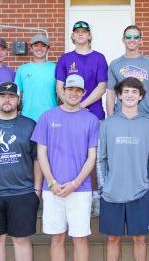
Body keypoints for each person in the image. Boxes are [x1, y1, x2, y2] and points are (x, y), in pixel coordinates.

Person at [31, 74, 99, 261]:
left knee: (80, 239)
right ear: (62, 91)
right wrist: (52, 183)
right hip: (53, 189)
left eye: (78, 90)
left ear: (83, 93)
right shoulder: (47, 117)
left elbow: (91, 157)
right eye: (70, 89)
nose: (74, 94)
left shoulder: (91, 120)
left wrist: (75, 184)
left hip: (80, 189)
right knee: (57, 237)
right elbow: (41, 154)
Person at [98, 77, 149, 261]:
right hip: (112, 193)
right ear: (119, 95)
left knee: (140, 239)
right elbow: (101, 159)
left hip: (140, 193)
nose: (130, 95)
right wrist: (103, 187)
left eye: (134, 91)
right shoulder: (107, 124)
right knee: (113, 239)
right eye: (126, 91)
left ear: (141, 96)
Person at [55, 20, 108, 215]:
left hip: (94, 114)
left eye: (84, 32)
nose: (80, 34)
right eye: (77, 31)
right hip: (69, 116)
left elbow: (102, 87)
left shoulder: (99, 58)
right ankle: (75, 192)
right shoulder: (65, 59)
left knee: (97, 157)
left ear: (89, 36)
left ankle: (99, 196)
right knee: (75, 156)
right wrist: (71, 106)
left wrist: (81, 105)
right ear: (72, 35)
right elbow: (59, 87)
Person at [0, 82, 41, 261]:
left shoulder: (30, 125)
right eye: (2, 96)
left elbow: (38, 159)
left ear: (18, 100)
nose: (6, 100)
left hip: (22, 193)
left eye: (11, 96)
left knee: (21, 240)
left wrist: (37, 190)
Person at [106, 25, 149, 121]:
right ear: (123, 40)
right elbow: (111, 92)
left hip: (145, 116)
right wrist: (110, 117)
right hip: (121, 117)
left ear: (140, 40)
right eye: (128, 37)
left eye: (136, 37)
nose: (132, 40)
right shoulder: (115, 64)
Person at [14, 34, 57, 122]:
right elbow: (18, 94)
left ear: (48, 48)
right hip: (27, 117)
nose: (39, 48)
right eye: (36, 45)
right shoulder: (22, 69)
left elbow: (61, 94)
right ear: (31, 48)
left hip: (51, 116)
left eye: (43, 46)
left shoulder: (56, 68)